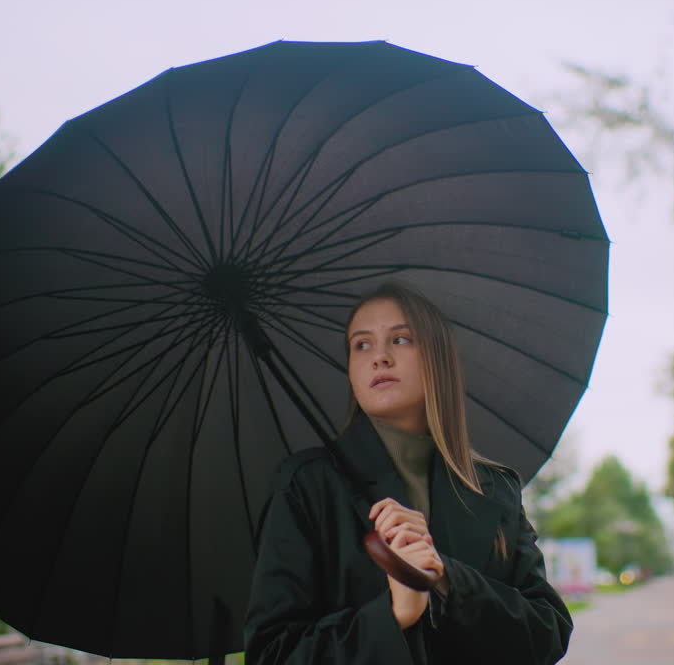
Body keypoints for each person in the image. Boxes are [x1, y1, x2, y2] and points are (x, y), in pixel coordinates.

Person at [245, 281, 572, 665]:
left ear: (438, 358)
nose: (379, 357)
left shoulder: (495, 488)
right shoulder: (307, 486)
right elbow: (271, 655)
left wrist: (447, 579)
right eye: (361, 344)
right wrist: (393, 615)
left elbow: (548, 633)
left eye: (400, 340)